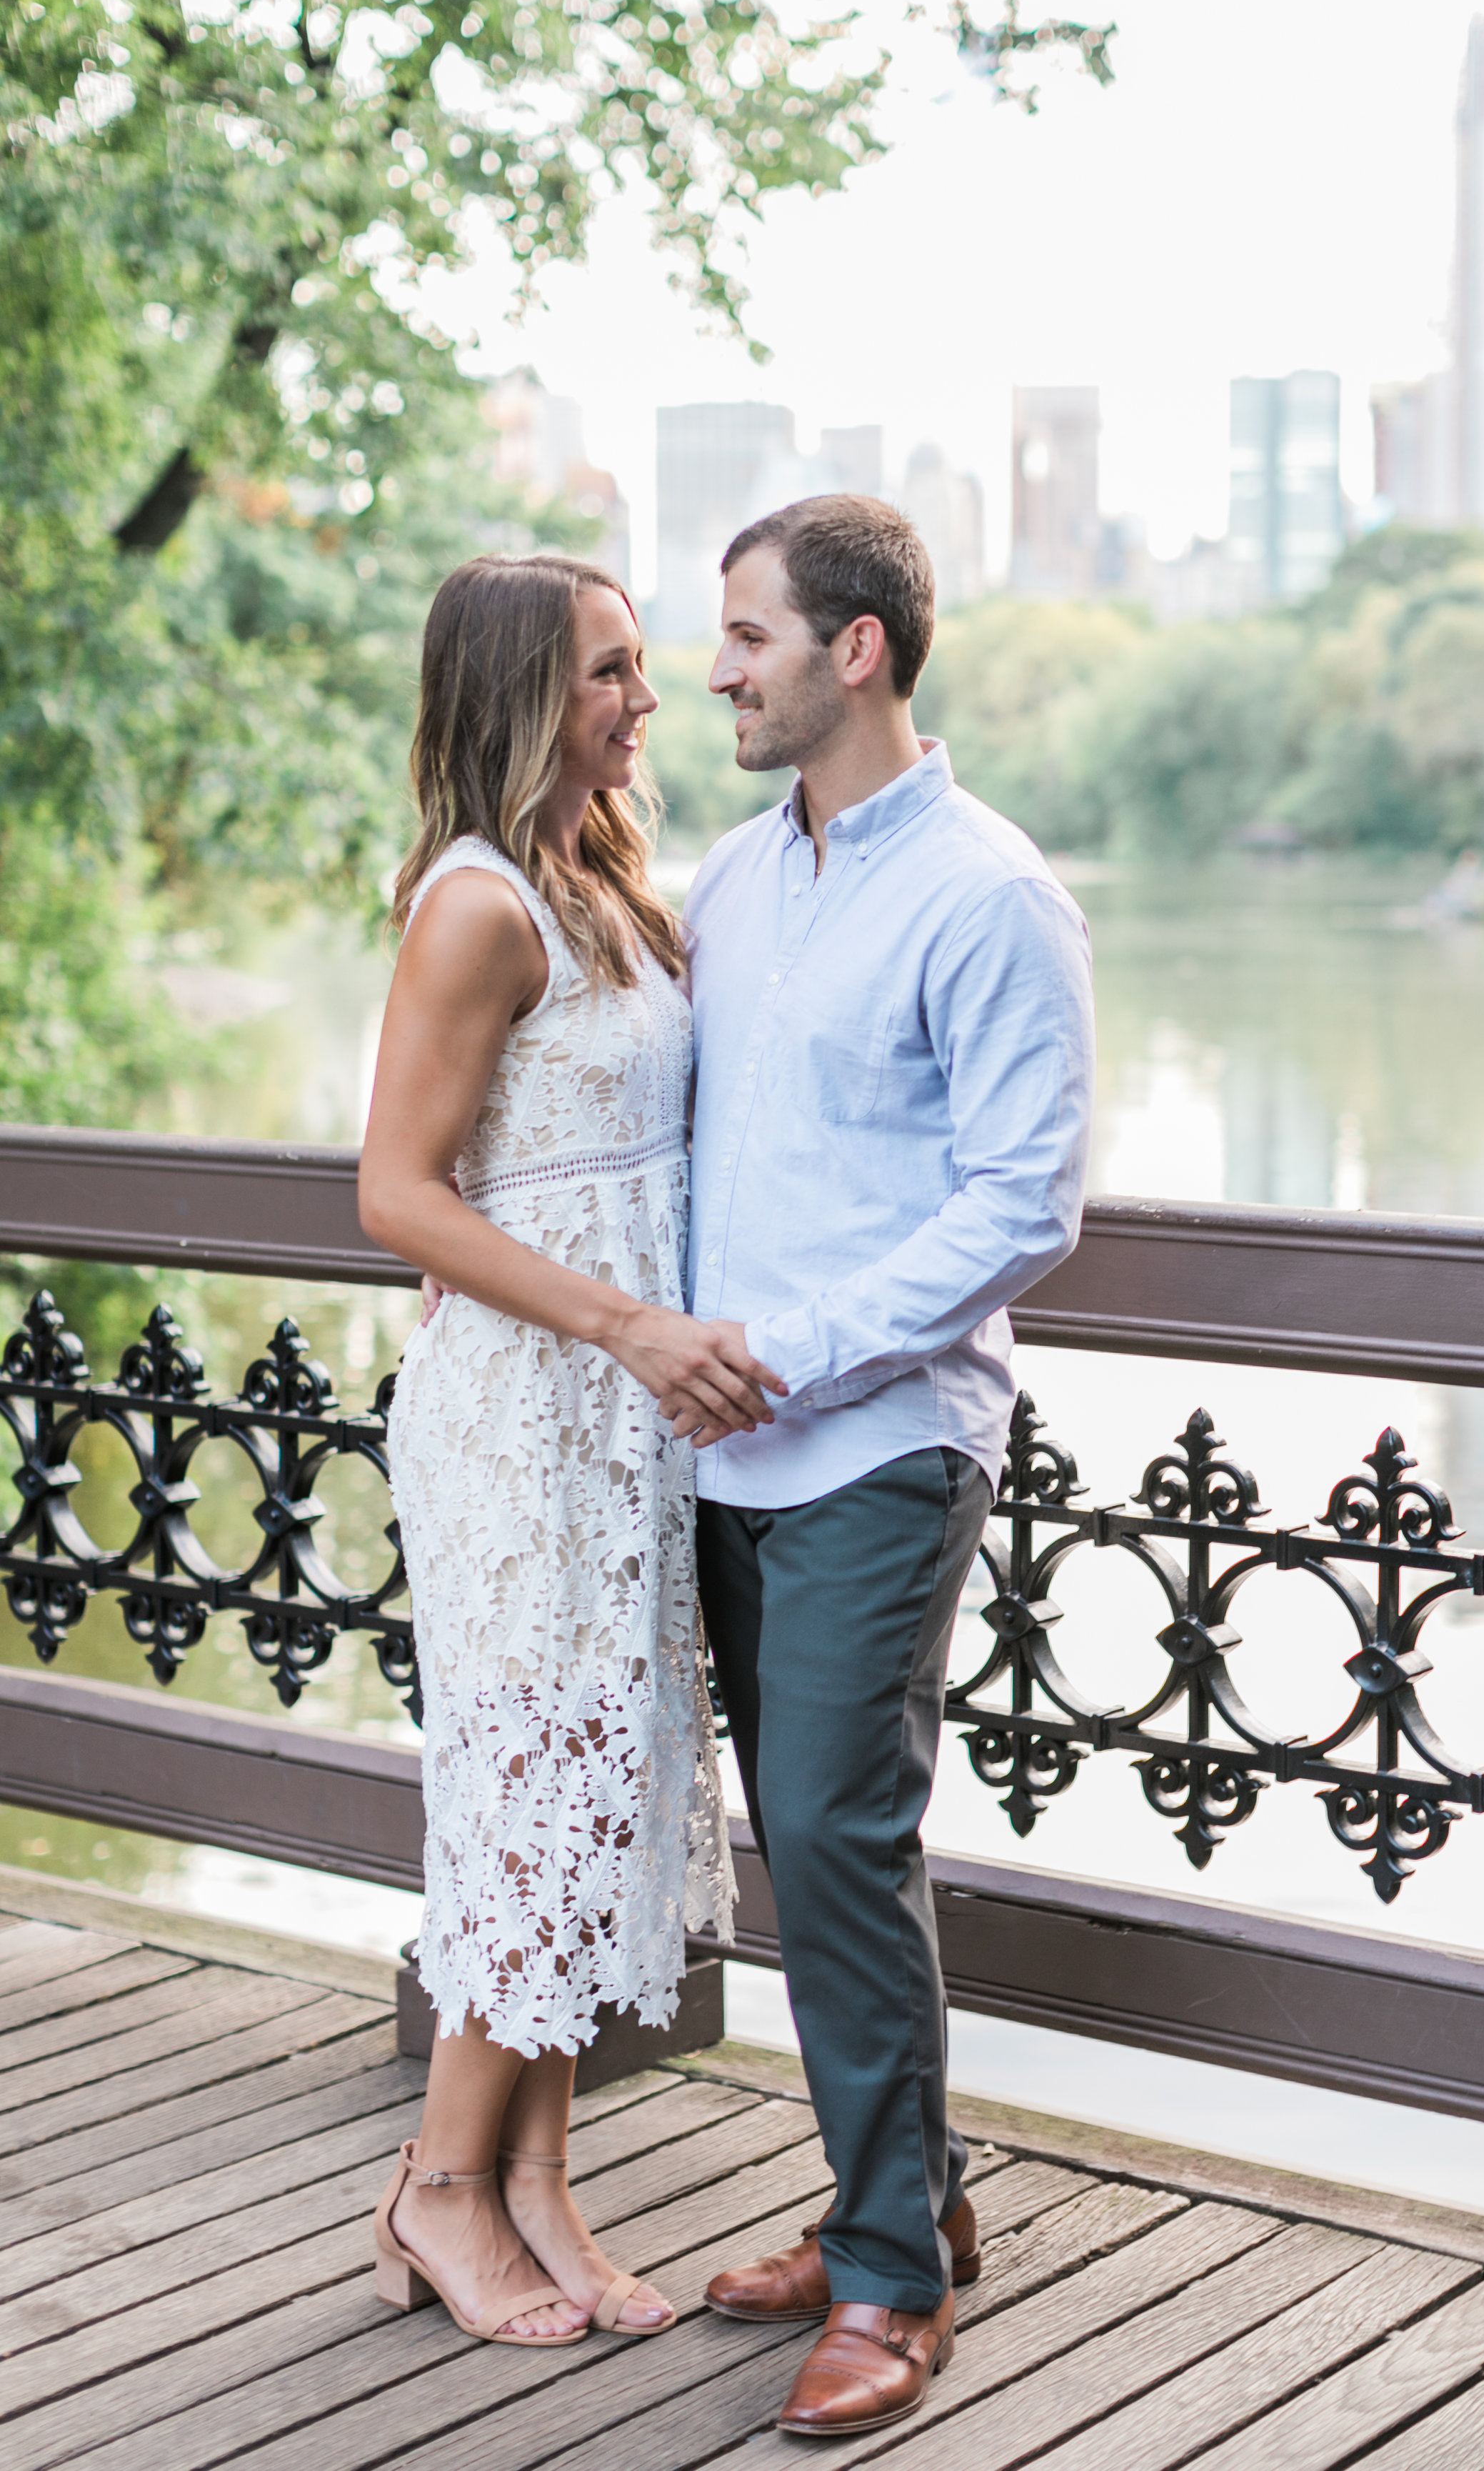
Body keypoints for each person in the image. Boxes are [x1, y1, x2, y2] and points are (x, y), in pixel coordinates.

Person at [683, 496, 1096, 2437]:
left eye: (747, 633)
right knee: (813, 1842)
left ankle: (890, 2282)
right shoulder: (732, 879)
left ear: (856, 648)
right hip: (719, 1448)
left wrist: (803, 1350)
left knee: (838, 1834)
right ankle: (901, 2191)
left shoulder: (993, 891)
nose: (715, 670)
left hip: (876, 1439)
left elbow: (1021, 1203)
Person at [358, 552, 784, 2347]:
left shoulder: (607, 880)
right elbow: (392, 1193)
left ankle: (538, 2178)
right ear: (526, 692)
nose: (650, 697)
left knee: (603, 1791)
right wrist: (620, 1325)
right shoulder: (474, 908)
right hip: (526, 1420)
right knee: (530, 1796)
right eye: (612, 671)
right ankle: (435, 2190)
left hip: (628, 1428)